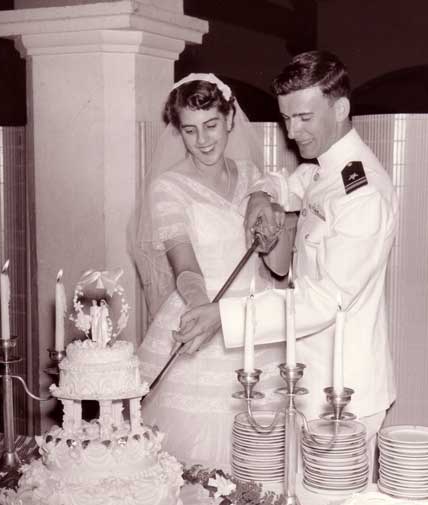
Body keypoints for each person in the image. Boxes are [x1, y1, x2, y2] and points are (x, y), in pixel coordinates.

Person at [174, 52, 398, 471]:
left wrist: (225, 316)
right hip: (310, 380)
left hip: (343, 393)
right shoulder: (328, 169)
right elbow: (288, 182)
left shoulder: (362, 193)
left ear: (340, 109)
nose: (292, 132)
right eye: (286, 118)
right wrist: (261, 195)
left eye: (304, 118)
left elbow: (324, 300)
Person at [132, 73, 296, 471]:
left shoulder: (255, 178)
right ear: (178, 131)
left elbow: (278, 266)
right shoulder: (168, 187)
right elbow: (185, 266)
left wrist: (278, 226)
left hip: (257, 321)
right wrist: (204, 313)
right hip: (201, 307)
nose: (203, 140)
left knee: (264, 457)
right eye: (190, 130)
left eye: (211, 126)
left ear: (229, 119)